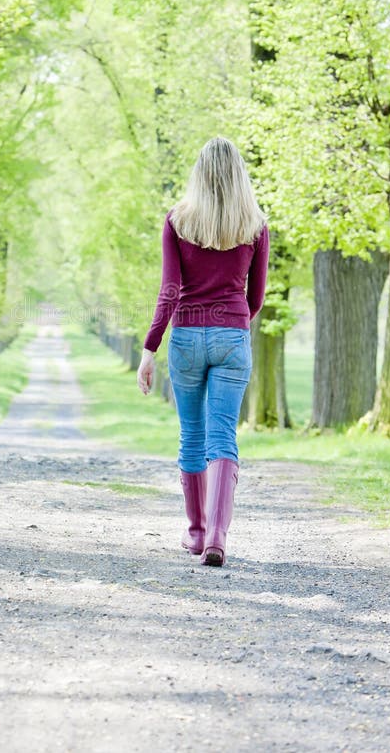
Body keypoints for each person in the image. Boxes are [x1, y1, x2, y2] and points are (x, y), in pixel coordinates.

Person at [137, 137, 269, 567]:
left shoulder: (178, 221)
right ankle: (217, 536)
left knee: (192, 435)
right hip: (232, 336)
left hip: (188, 337)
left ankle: (195, 532)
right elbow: (257, 297)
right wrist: (233, 323)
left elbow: (170, 290)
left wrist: (149, 346)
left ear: (199, 173)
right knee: (223, 435)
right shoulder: (255, 225)